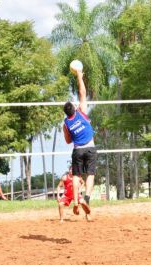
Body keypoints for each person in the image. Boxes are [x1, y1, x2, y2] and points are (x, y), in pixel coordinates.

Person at [63, 68, 97, 215]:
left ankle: (76, 202)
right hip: (90, 148)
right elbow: (82, 93)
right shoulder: (81, 112)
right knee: (90, 175)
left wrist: (74, 132)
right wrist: (79, 76)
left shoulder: (66, 124)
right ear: (74, 108)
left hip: (77, 150)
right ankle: (86, 199)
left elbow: (67, 141)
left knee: (76, 176)